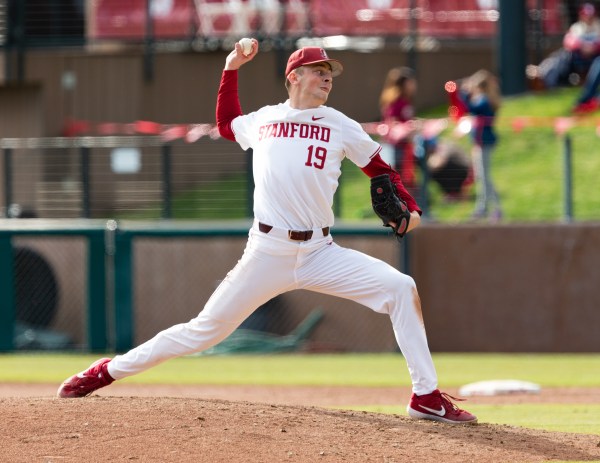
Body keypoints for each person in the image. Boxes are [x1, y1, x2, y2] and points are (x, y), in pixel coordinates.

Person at [56, 42, 477, 425]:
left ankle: (425, 396)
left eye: (330, 71)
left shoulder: (339, 124)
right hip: (266, 251)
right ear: (294, 76)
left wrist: (412, 210)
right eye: (318, 70)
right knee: (203, 331)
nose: (327, 76)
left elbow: (381, 171)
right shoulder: (265, 120)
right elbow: (225, 123)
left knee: (401, 288)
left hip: (320, 251)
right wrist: (230, 67)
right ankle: (105, 371)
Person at [457, 69, 503, 222]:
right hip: (480, 142)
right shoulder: (485, 99)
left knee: (484, 177)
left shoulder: (483, 99)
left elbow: (471, 108)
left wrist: (463, 93)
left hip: (484, 142)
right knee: (481, 176)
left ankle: (496, 208)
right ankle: (482, 208)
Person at [378, 67, 418, 195]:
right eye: (410, 82)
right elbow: (392, 123)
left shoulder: (406, 101)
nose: (413, 85)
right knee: (398, 179)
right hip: (396, 147)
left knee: (407, 179)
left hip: (406, 146)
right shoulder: (395, 102)